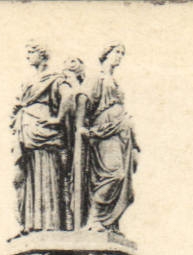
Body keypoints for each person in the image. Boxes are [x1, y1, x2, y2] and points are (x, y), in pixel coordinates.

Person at [11, 43, 70, 234]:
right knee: (27, 177)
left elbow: (68, 96)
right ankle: (30, 224)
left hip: (43, 131)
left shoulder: (54, 78)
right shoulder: (28, 80)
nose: (28, 57)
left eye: (31, 52)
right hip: (27, 131)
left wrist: (58, 118)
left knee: (47, 172)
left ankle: (49, 224)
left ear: (42, 55)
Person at [82, 43, 138, 233]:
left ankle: (109, 223)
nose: (119, 57)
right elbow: (83, 101)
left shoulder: (115, 80)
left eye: (122, 53)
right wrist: (81, 128)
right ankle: (94, 218)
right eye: (117, 52)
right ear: (106, 54)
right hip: (104, 130)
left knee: (124, 182)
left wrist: (136, 145)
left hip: (122, 132)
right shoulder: (97, 77)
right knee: (114, 174)